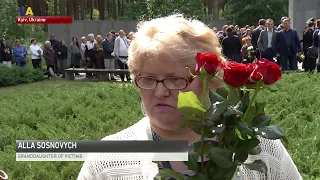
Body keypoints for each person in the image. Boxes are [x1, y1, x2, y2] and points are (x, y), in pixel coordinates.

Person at [77, 15, 302, 180]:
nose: (160, 91)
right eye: (147, 79)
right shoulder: (106, 160)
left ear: (211, 81)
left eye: (175, 79)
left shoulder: (261, 150)